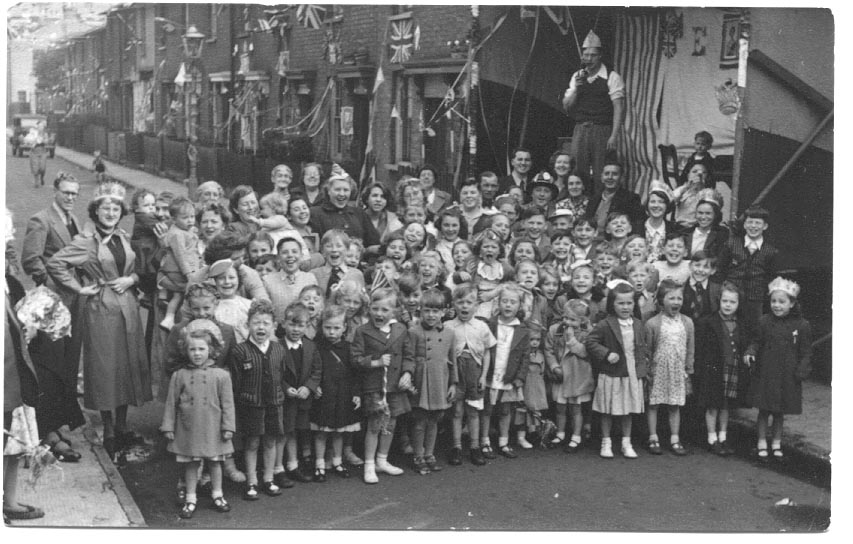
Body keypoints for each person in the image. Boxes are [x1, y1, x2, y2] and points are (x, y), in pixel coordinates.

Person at [46, 181, 151, 461]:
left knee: (128, 365)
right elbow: (56, 263)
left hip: (127, 306)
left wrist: (132, 279)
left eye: (116, 208)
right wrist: (78, 287)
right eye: (106, 207)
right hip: (101, 308)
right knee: (106, 368)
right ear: (96, 210)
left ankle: (122, 424)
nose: (111, 212)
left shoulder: (124, 237)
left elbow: (137, 268)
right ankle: (109, 430)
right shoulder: (86, 240)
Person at [20, 172, 86, 461]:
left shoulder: (74, 221)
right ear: (55, 191)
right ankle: (48, 432)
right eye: (66, 192)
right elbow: (30, 259)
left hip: (74, 303)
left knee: (68, 366)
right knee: (49, 366)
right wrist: (51, 287)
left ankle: (59, 425)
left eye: (74, 193)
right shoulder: (41, 219)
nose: (70, 197)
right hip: (51, 305)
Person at [161, 322, 236, 518]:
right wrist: (168, 426)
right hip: (188, 428)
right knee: (191, 464)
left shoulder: (221, 376)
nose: (197, 353)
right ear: (185, 351)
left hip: (213, 428)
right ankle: (191, 497)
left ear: (211, 350)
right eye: (192, 349)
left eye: (201, 349)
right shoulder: (179, 376)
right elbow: (171, 403)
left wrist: (228, 427)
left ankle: (217, 494)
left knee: (215, 463)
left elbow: (228, 404)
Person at [351, 288, 416, 484]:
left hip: (395, 386)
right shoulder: (362, 331)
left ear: (394, 311)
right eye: (375, 308)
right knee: (374, 425)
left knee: (391, 423)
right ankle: (369, 465)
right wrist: (376, 362)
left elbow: (409, 356)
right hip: (374, 386)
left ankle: (382, 460)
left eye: (385, 310)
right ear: (369, 308)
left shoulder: (401, 330)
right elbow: (355, 359)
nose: (379, 314)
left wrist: (407, 373)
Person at [744, 277, 812, 460]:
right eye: (773, 301)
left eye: (782, 302)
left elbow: (806, 352)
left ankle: (776, 443)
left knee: (779, 412)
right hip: (766, 373)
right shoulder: (764, 321)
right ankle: (761, 442)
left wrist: (802, 370)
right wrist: (751, 352)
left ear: (792, 304)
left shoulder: (801, 325)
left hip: (787, 375)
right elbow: (756, 341)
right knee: (764, 410)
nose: (777, 305)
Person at [5, 214, 45, 522]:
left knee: (13, 442)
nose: (8, 253)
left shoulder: (8, 284)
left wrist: (26, 327)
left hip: (12, 376)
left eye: (8, 244)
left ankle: (10, 499)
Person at [227, 299, 288, 500]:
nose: (261, 327)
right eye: (256, 323)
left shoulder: (279, 350)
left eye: (265, 323)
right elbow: (235, 382)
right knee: (252, 443)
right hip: (251, 405)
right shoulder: (239, 351)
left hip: (274, 404)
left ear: (274, 326)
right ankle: (251, 481)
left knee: (271, 441)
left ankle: (268, 478)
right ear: (248, 324)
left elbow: (283, 376)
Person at [585, 282, 648, 459]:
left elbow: (642, 349)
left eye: (629, 303)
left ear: (634, 304)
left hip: (631, 373)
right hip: (612, 373)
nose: (625, 307)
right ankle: (606, 442)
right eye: (621, 303)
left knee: (627, 410)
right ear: (612, 304)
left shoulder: (637, 324)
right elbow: (591, 342)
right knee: (608, 410)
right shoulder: (606, 324)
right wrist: (606, 354)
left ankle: (626, 443)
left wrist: (643, 371)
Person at [562, 30, 626, 194]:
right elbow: (567, 106)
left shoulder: (611, 77)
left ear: (600, 56)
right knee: (578, 170)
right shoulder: (577, 76)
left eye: (592, 55)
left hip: (602, 129)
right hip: (581, 129)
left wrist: (614, 135)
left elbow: (618, 107)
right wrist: (577, 88)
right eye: (586, 55)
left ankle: (600, 207)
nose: (588, 59)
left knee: (601, 172)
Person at [445, 283, 497, 467]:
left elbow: (488, 351)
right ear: (453, 305)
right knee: (457, 411)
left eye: (469, 302)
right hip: (456, 373)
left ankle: (475, 447)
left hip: (474, 372)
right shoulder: (448, 326)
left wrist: (483, 376)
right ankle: (457, 447)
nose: (465, 306)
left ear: (476, 306)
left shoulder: (481, 326)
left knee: (473, 411)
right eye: (460, 302)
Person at [694, 282, 748, 456]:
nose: (728, 305)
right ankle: (712, 438)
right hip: (713, 370)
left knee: (726, 405)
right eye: (725, 301)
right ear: (719, 301)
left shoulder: (740, 323)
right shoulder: (708, 322)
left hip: (732, 368)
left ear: (738, 304)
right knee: (713, 405)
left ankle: (723, 436)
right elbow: (700, 349)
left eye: (732, 302)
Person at [407, 288, 457, 475]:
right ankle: (418, 455)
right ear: (420, 311)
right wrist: (409, 380)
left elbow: (453, 361)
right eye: (427, 310)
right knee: (420, 420)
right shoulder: (414, 332)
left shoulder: (450, 333)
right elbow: (409, 358)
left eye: (436, 311)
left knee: (435, 420)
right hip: (421, 381)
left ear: (443, 312)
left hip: (440, 381)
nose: (431, 315)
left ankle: (430, 454)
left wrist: (453, 383)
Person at [644, 279, 695, 456]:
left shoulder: (687, 323)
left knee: (675, 405)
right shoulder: (653, 323)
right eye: (671, 298)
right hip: (657, 370)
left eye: (679, 299)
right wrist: (647, 371)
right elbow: (648, 350)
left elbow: (690, 349)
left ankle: (674, 438)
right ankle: (653, 437)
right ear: (660, 300)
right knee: (654, 404)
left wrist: (688, 371)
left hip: (677, 370)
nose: (676, 302)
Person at [310, 304, 361, 480]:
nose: (332, 332)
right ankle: (319, 465)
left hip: (342, 395)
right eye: (328, 328)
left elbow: (354, 372)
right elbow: (311, 370)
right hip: (324, 395)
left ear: (344, 327)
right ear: (321, 326)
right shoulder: (316, 346)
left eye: (336, 328)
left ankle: (337, 462)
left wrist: (356, 393)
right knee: (322, 432)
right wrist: (313, 385)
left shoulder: (348, 347)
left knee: (339, 431)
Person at [480, 283, 529, 460]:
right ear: (498, 304)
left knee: (505, 411)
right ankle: (484, 441)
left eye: (513, 302)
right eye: (505, 301)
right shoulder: (489, 324)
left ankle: (503, 441)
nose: (508, 305)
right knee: (487, 409)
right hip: (491, 374)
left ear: (519, 306)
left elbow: (525, 357)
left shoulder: (523, 329)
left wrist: (520, 378)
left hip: (508, 377)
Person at [716, 206, 778, 335]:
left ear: (765, 226)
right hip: (731, 298)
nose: (753, 226)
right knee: (727, 330)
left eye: (758, 223)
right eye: (750, 222)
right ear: (744, 224)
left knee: (752, 333)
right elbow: (720, 271)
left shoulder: (770, 251)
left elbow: (770, 279)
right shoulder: (731, 244)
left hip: (755, 301)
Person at [278, 302, 322, 483]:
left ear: (307, 325)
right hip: (285, 399)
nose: (296, 329)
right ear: (283, 324)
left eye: (300, 325)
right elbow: (274, 372)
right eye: (292, 324)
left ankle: (293, 465)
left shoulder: (310, 346)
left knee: (296, 431)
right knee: (283, 432)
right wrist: (285, 387)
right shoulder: (277, 346)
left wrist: (309, 387)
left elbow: (317, 370)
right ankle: (278, 468)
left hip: (302, 399)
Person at [546, 299, 594, 452]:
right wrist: (554, 367)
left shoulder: (588, 333)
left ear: (583, 320)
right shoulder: (555, 329)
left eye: (572, 319)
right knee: (560, 408)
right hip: (561, 375)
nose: (567, 321)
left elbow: (586, 352)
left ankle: (576, 436)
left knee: (576, 408)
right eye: (565, 317)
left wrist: (571, 340)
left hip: (577, 376)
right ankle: (560, 434)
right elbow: (548, 350)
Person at [158, 197, 201, 331]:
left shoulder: (182, 230)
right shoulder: (177, 235)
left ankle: (169, 318)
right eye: (185, 218)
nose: (190, 221)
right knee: (185, 293)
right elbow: (181, 255)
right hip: (179, 270)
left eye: (192, 216)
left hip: (179, 270)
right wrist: (189, 274)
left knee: (178, 295)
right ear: (174, 218)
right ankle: (175, 319)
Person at [310, 172, 381, 253]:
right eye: (337, 189)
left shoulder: (359, 213)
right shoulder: (316, 213)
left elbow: (373, 243)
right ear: (328, 191)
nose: (342, 194)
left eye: (346, 190)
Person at [264, 237, 319, 323]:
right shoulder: (268, 280)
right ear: (278, 257)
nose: (290, 255)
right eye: (285, 252)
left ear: (301, 256)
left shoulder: (310, 278)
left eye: (294, 251)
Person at [586, 160, 644, 234]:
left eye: (614, 174)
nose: (610, 177)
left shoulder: (631, 199)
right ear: (602, 178)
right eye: (607, 174)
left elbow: (636, 227)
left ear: (621, 178)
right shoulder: (593, 200)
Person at [516, 323, 547, 450]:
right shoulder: (523, 355)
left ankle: (533, 433)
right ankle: (521, 437)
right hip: (525, 385)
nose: (535, 342)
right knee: (522, 412)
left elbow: (542, 371)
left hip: (537, 385)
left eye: (538, 340)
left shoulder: (540, 354)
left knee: (535, 411)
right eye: (531, 339)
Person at [312, 229, 366, 299]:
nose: (334, 249)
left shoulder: (356, 274)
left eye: (339, 246)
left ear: (347, 250)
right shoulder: (314, 274)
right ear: (322, 251)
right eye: (329, 246)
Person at [684, 189, 729, 260]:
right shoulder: (685, 233)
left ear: (715, 214)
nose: (703, 217)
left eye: (708, 213)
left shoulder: (722, 234)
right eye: (700, 213)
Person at [642, 180, 678, 262]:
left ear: (667, 206)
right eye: (652, 201)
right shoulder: (636, 227)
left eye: (661, 202)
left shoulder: (674, 229)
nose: (656, 205)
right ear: (647, 204)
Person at [681, 251, 721, 321]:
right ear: (690, 266)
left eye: (706, 267)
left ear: (713, 270)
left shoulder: (717, 290)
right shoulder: (681, 287)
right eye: (697, 265)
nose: (700, 270)